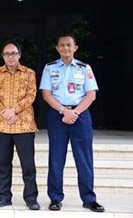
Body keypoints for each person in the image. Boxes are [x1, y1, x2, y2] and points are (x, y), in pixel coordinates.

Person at [40, 33, 104, 212]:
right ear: (57, 48)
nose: (65, 48)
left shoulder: (85, 68)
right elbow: (46, 94)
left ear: (75, 48)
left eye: (69, 45)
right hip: (57, 115)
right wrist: (63, 111)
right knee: (56, 158)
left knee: (84, 159)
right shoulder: (49, 68)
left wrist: (74, 112)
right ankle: (55, 198)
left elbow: (91, 95)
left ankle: (89, 198)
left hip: (80, 114)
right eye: (62, 45)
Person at [0, 42, 40, 210]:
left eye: (13, 53)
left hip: (23, 126)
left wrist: (14, 111)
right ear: (3, 56)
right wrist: (5, 112)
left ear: (20, 54)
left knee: (28, 165)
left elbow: (32, 95)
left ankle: (31, 198)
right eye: (7, 54)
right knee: (3, 165)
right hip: (2, 126)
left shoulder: (29, 73)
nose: (10, 56)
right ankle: (4, 197)